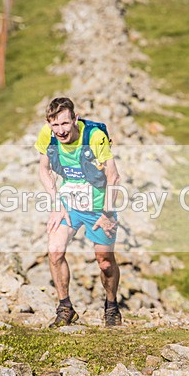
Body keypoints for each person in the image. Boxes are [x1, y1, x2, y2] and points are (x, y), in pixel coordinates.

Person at [34, 97, 123, 328]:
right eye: (55, 125)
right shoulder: (47, 135)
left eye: (65, 123)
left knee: (105, 263)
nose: (60, 131)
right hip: (69, 204)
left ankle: (111, 306)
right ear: (49, 123)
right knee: (55, 251)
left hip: (99, 206)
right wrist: (57, 205)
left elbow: (113, 176)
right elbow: (44, 170)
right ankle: (65, 308)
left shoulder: (94, 137)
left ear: (75, 118)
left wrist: (107, 214)